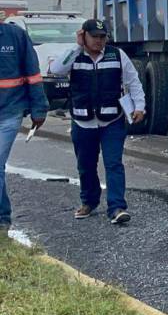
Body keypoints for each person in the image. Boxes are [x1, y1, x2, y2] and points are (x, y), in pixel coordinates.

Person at [48, 19, 145, 225]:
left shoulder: (117, 55)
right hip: (83, 123)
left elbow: (133, 82)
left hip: (112, 121)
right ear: (84, 36)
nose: (99, 41)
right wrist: (77, 46)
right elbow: (56, 69)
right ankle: (89, 202)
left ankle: (117, 207)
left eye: (103, 37)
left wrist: (139, 107)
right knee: (86, 166)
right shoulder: (75, 55)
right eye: (94, 37)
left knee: (114, 164)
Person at [0, 21, 48, 237]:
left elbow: (33, 74)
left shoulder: (16, 36)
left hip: (10, 111)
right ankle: (2, 218)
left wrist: (40, 108)